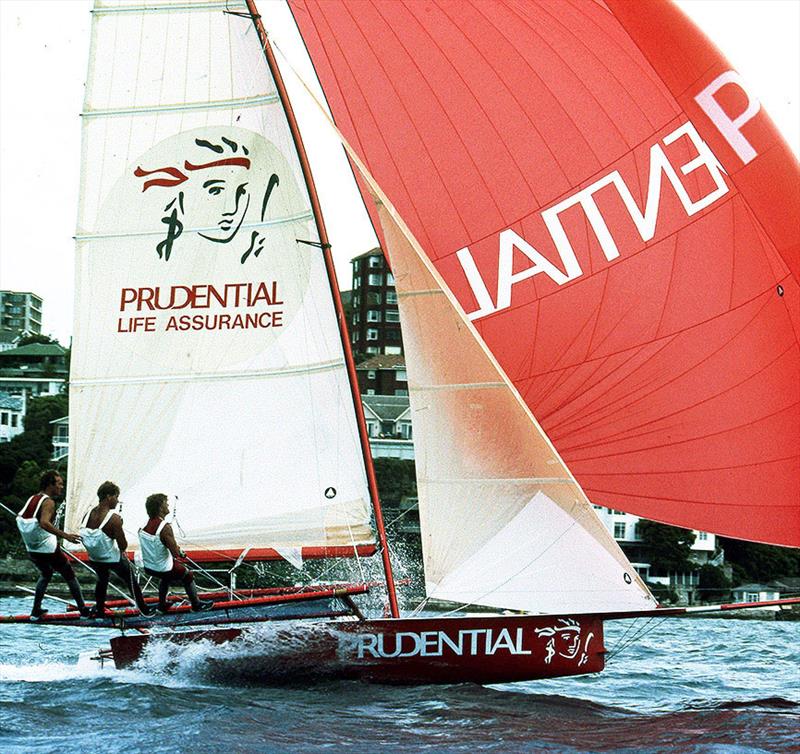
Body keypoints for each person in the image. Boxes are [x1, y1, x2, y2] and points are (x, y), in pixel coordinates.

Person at [16, 470, 90, 620]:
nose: (62, 487)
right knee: (69, 574)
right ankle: (83, 610)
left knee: (46, 574)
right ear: (50, 485)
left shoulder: (32, 498)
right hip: (46, 547)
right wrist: (66, 536)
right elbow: (44, 523)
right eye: (59, 484)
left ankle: (36, 610)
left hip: (32, 548)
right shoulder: (48, 502)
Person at [80, 481, 154, 617]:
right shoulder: (113, 519)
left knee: (102, 580)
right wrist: (119, 526)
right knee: (129, 577)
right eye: (116, 496)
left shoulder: (87, 514)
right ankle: (143, 608)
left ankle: (100, 610)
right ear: (109, 497)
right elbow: (122, 545)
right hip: (110, 558)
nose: (117, 500)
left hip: (95, 558)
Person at [138, 493, 213, 613]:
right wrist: (180, 552)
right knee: (187, 574)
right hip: (163, 567)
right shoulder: (165, 527)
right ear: (160, 507)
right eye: (165, 503)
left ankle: (162, 605)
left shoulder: (143, 527)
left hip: (149, 567)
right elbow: (175, 553)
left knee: (165, 577)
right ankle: (196, 605)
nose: (168, 505)